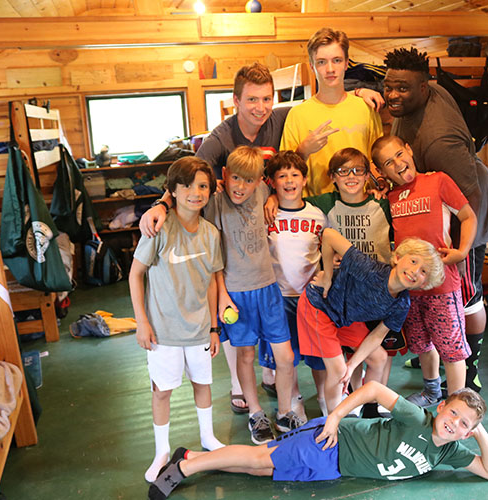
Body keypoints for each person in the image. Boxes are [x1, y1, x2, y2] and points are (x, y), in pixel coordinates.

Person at [139, 62, 383, 414]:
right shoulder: (220, 138)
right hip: (232, 255)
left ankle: (280, 391)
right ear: (236, 100)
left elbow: (320, 104)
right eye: (252, 99)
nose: (260, 107)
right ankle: (242, 390)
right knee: (241, 337)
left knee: (279, 339)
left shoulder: (281, 118)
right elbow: (189, 174)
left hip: (266, 247)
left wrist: (359, 91)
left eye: (267, 98)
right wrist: (162, 204)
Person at [383, 47, 488, 394]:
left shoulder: (440, 141)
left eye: (402, 88)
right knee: (430, 293)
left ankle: (471, 368)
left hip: (468, 210)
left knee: (467, 296)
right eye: (389, 86)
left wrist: (460, 250)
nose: (393, 94)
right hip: (432, 203)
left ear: (423, 88)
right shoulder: (416, 96)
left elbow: (468, 200)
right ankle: (437, 348)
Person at [148, 381, 488, 499]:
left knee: (260, 470)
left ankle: (191, 454)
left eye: (464, 423)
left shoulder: (451, 452)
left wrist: (479, 430)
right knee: (260, 459)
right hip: (334, 443)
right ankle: (183, 467)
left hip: (333, 467)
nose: (454, 423)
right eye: (452, 413)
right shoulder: (416, 418)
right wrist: (334, 416)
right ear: (441, 408)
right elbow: (375, 389)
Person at [128, 157, 225, 482]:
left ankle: (208, 438)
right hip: (162, 333)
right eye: (186, 185)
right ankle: (161, 452)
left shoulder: (211, 234)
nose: (195, 193)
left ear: (210, 191)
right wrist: (142, 321)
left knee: (203, 384)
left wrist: (213, 327)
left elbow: (212, 281)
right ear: (171, 190)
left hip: (199, 330)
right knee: (162, 392)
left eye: (202, 186)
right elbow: (135, 274)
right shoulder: (157, 228)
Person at [204, 145, 302, 445]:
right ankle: (256, 413)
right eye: (235, 179)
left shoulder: (262, 194)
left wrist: (272, 195)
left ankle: (285, 411)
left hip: (269, 289)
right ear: (225, 176)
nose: (241, 187)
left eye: (249, 180)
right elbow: (213, 260)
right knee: (245, 355)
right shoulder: (214, 205)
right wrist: (222, 296)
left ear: (261, 181)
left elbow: (281, 182)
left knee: (284, 356)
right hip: (236, 293)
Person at [372, 134, 478, 406]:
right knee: (421, 344)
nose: (397, 164)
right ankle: (431, 391)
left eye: (399, 154)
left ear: (408, 149)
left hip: (442, 284)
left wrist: (462, 250)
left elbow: (468, 216)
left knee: (452, 349)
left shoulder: (438, 181)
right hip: (410, 287)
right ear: (382, 172)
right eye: (388, 163)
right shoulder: (391, 197)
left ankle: (455, 402)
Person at [297, 228, 445, 413]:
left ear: (424, 284)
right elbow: (328, 235)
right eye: (413, 261)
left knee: (379, 357)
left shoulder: (401, 303)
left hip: (344, 318)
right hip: (320, 307)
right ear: (398, 257)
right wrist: (327, 274)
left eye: (423, 271)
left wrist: (352, 365)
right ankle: (335, 424)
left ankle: (366, 407)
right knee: (337, 372)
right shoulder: (369, 270)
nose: (415, 271)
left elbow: (376, 337)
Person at [305, 147, 399, 417]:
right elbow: (291, 198)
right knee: (353, 351)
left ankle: (374, 400)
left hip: (379, 290)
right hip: (345, 296)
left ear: (368, 175)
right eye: (343, 171)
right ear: (332, 176)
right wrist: (271, 201)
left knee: (382, 351)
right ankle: (352, 398)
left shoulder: (382, 204)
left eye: (358, 170)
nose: (351, 176)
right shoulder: (324, 203)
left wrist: (383, 187)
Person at [263, 150, 328, 418]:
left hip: (309, 297)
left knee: (318, 355)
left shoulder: (317, 216)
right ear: (273, 182)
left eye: (294, 175)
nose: (289, 181)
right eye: (282, 176)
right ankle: (293, 399)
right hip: (278, 297)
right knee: (286, 358)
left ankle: (326, 397)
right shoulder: (267, 215)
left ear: (304, 179)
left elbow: (324, 255)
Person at [280, 27, 383, 196]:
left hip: (360, 208)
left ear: (346, 63)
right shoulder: (297, 115)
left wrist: (380, 183)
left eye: (336, 60)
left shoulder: (365, 108)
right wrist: (302, 151)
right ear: (312, 67)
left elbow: (377, 160)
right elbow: (283, 172)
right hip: (315, 210)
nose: (330, 69)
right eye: (321, 62)